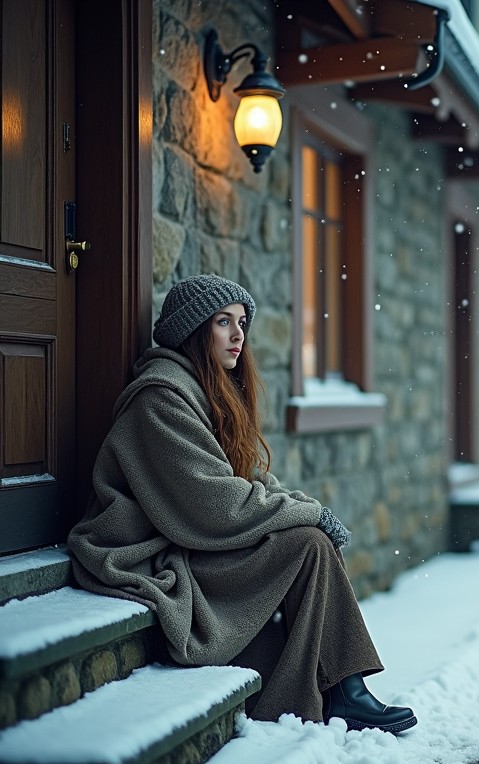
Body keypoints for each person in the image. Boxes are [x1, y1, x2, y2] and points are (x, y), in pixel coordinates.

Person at [67, 274, 416, 733]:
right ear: (193, 331)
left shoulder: (205, 391)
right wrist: (309, 515)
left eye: (242, 322)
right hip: (155, 548)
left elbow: (247, 477)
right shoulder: (160, 400)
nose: (238, 335)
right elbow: (215, 505)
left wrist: (299, 504)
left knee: (310, 547)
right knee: (307, 544)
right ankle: (343, 693)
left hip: (193, 540)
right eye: (223, 322)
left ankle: (342, 691)